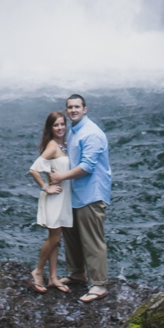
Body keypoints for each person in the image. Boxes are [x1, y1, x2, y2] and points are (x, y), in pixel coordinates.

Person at [49, 94, 111, 302]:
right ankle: (77, 274)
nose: (73, 110)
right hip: (75, 192)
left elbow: (87, 166)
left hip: (91, 194)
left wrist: (60, 177)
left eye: (77, 107)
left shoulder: (91, 133)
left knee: (92, 240)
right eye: (70, 107)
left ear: (85, 109)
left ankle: (99, 284)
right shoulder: (74, 131)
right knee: (71, 235)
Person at [27, 110, 73, 293]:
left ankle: (53, 277)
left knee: (54, 239)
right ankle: (38, 271)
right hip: (55, 197)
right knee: (55, 237)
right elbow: (34, 169)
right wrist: (46, 187)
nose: (60, 127)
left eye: (62, 124)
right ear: (50, 128)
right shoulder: (53, 146)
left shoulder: (64, 145)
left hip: (63, 197)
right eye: (56, 125)